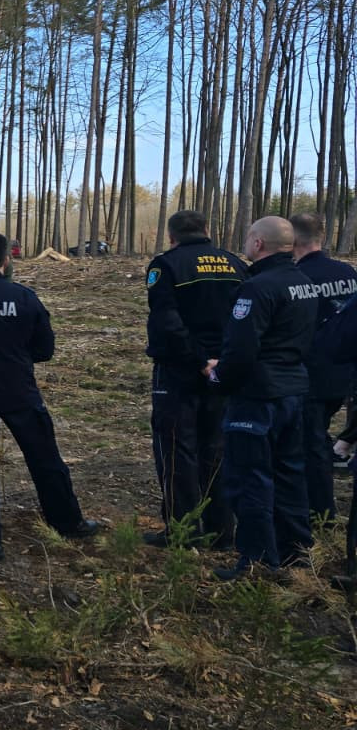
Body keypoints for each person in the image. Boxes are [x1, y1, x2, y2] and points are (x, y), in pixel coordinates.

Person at [0, 232, 99, 562]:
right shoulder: (24, 297)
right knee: (45, 459)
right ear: (7, 260)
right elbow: (45, 349)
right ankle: (67, 522)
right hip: (20, 391)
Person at [212, 217, 319, 579]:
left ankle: (257, 563)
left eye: (247, 236)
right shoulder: (304, 282)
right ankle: (296, 555)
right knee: (290, 475)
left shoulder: (256, 288)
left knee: (250, 478)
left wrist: (218, 376)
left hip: (257, 397)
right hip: (293, 390)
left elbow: (241, 350)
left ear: (258, 243)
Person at [143, 210, 246, 548]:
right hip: (225, 370)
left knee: (176, 449)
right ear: (207, 229)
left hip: (179, 371)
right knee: (217, 448)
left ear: (171, 236)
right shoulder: (236, 264)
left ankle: (183, 531)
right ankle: (221, 529)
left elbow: (166, 322)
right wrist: (222, 361)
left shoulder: (166, 265)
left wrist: (200, 360)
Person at [288, 212, 357, 524]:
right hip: (344, 374)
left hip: (310, 374)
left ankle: (321, 512)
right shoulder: (348, 272)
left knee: (312, 443)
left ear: (292, 240)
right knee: (317, 437)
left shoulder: (296, 278)